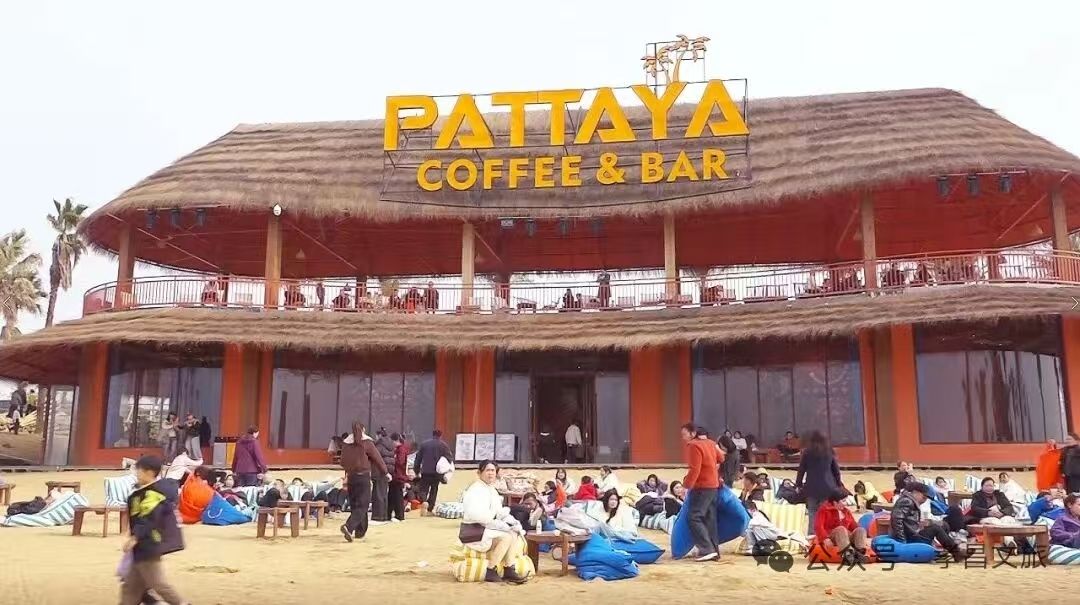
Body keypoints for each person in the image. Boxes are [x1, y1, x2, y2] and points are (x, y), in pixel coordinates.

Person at [121, 455, 185, 605]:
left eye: (139, 471)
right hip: (142, 545)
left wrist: (135, 537)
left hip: (149, 544)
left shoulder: (154, 495)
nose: (137, 474)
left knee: (159, 584)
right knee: (131, 587)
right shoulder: (143, 493)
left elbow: (148, 518)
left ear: (149, 473)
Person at [460, 460, 529, 584]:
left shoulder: (492, 490)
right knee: (506, 537)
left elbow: (500, 512)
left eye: (493, 470)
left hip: (487, 529)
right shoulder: (475, 490)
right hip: (474, 530)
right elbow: (477, 516)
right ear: (480, 473)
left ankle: (509, 568)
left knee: (513, 533)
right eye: (488, 470)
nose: (491, 473)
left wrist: (512, 522)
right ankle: (491, 570)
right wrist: (500, 525)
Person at [889, 483, 967, 561]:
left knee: (942, 525)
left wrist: (919, 524)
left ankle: (948, 550)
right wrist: (902, 541)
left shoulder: (909, 501)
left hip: (912, 533)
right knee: (936, 528)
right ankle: (956, 552)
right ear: (915, 492)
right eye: (923, 497)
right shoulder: (907, 501)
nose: (924, 501)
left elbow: (905, 520)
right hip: (910, 536)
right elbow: (897, 520)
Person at [340, 421, 389, 542]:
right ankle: (349, 526)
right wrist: (385, 472)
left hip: (351, 477)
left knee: (355, 505)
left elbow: (342, 461)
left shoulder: (346, 443)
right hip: (363, 476)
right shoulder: (367, 442)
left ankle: (360, 532)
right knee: (363, 505)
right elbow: (377, 458)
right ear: (363, 429)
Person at [681, 423, 722, 562]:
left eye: (684, 434)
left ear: (693, 433)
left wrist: (686, 486)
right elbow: (721, 458)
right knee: (710, 518)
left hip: (702, 486)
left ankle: (706, 549)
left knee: (694, 517)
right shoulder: (710, 443)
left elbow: (695, 469)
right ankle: (714, 550)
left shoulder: (694, 446)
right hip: (713, 485)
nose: (683, 437)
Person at [795, 430, 842, 535]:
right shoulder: (829, 451)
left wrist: (798, 484)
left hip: (811, 488)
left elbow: (801, 470)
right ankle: (824, 536)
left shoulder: (807, 452)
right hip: (828, 489)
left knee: (812, 513)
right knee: (825, 514)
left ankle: (812, 536)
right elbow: (836, 471)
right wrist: (839, 485)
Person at [815, 490, 868, 564]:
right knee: (841, 529)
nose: (845, 503)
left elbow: (854, 526)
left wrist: (862, 538)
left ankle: (860, 553)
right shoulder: (824, 510)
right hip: (832, 537)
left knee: (860, 529)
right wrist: (825, 538)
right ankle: (847, 554)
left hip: (846, 538)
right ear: (835, 502)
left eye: (846, 501)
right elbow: (818, 526)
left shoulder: (846, 511)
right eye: (843, 501)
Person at [413, 429, 453, 516]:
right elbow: (449, 458)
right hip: (437, 472)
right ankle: (430, 509)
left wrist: (416, 470)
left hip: (425, 470)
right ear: (440, 435)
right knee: (434, 490)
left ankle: (424, 501)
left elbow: (418, 458)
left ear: (432, 434)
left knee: (423, 489)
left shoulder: (424, 444)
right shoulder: (444, 445)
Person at [371, 428, 395, 524]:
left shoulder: (379, 446)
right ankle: (384, 515)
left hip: (379, 472)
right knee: (384, 494)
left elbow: (375, 458)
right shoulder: (391, 445)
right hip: (388, 472)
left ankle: (378, 516)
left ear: (379, 435)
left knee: (378, 495)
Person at [388, 432, 410, 523]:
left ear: (395, 440)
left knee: (397, 496)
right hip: (396, 475)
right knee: (393, 495)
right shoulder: (400, 449)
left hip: (398, 475)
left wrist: (392, 460)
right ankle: (390, 514)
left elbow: (400, 462)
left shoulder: (401, 449)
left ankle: (399, 515)